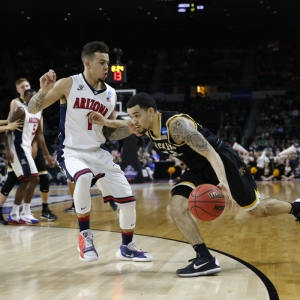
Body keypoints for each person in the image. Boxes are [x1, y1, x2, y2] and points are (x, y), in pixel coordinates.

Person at [120, 92, 299, 277]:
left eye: (136, 115)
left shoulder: (176, 125)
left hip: (222, 161)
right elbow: (120, 125)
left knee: (257, 210)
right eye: (131, 116)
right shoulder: (145, 127)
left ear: (150, 111)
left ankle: (296, 208)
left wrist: (223, 182)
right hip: (198, 169)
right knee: (175, 207)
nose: (133, 121)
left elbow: (211, 153)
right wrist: (102, 122)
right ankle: (204, 258)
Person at [28, 41, 152, 262]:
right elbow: (33, 109)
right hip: (72, 151)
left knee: (129, 201)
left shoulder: (111, 94)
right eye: (102, 62)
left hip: (99, 152)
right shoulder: (69, 84)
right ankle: (85, 236)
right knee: (83, 177)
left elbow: (108, 132)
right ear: (88, 63)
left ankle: (127, 247)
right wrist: (43, 90)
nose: (107, 67)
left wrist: (128, 129)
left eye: (108, 62)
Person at [0, 78, 57, 225]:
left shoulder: (38, 113)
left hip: (26, 148)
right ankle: (24, 212)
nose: (35, 101)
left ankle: (14, 213)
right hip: (17, 147)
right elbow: (9, 130)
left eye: (36, 98)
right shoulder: (20, 109)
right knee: (32, 178)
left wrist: (47, 155)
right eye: (31, 98)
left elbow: (39, 135)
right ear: (26, 99)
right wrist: (7, 149)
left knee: (27, 180)